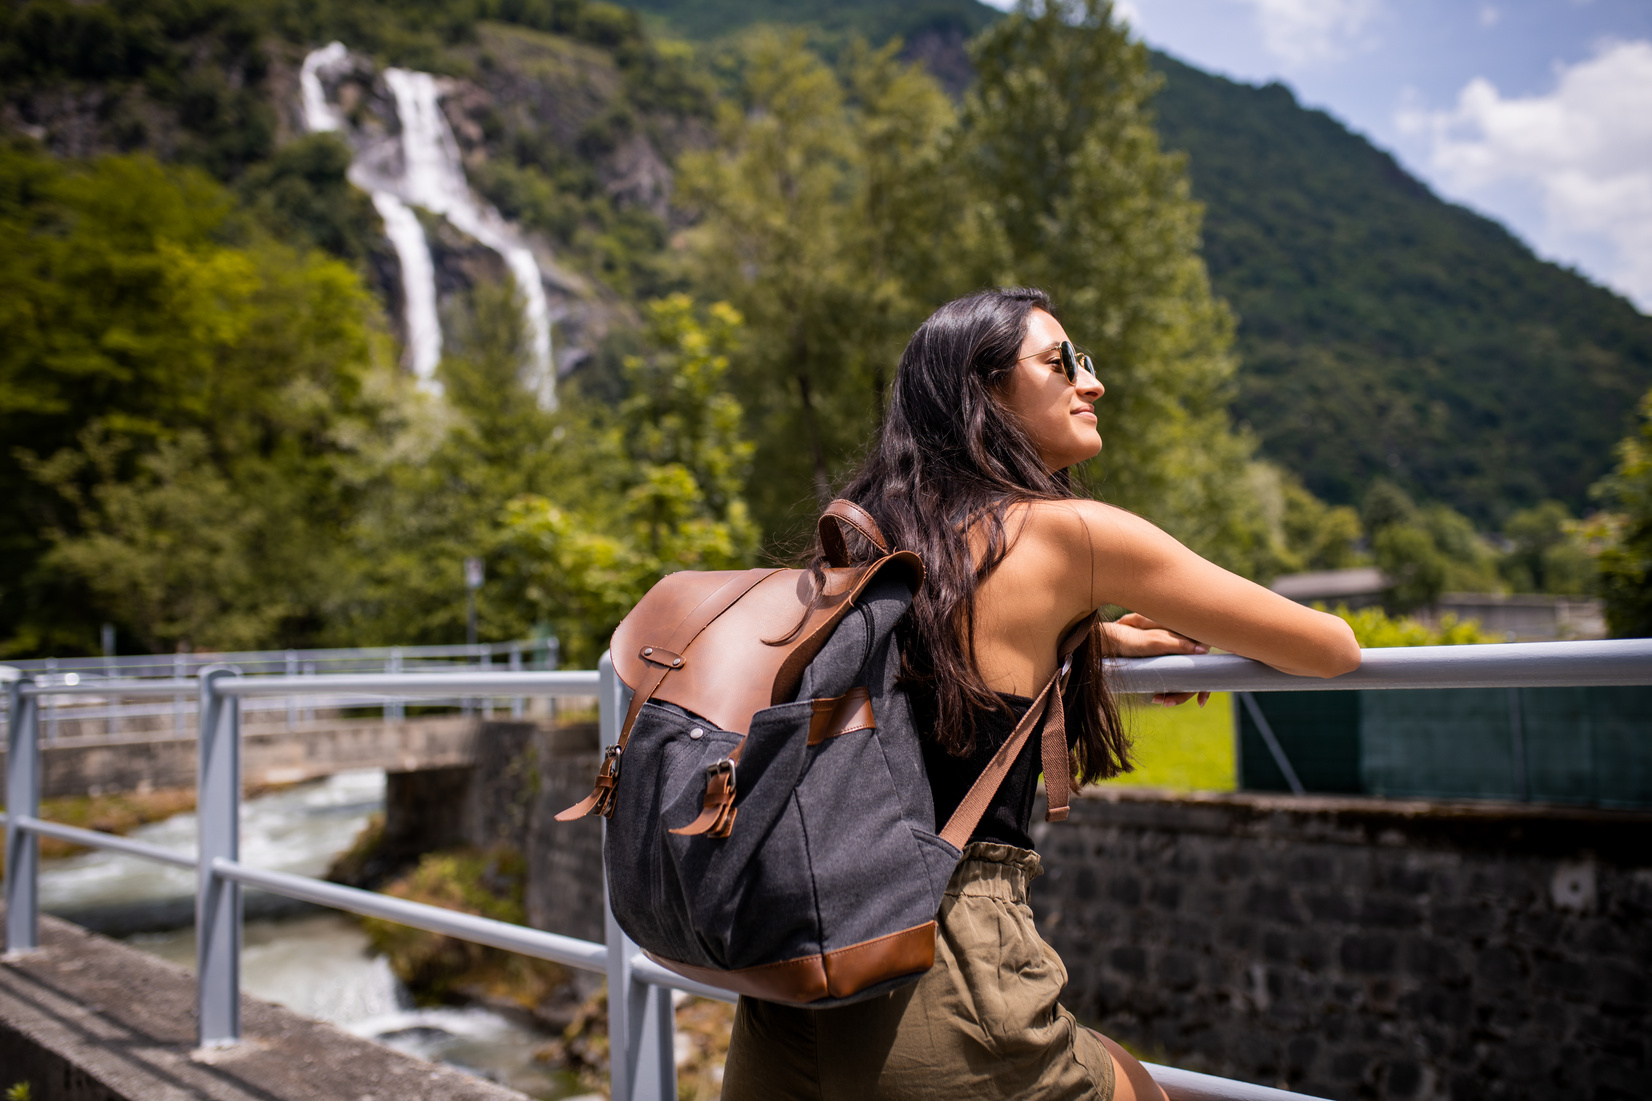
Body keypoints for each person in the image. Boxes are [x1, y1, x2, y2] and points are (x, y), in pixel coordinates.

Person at [721, 287, 1361, 1100]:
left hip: (793, 986)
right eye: (1062, 362)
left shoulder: (865, 542)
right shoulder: (1072, 533)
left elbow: (945, 654)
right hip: (945, 981)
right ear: (984, 390)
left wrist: (1100, 636)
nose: (1091, 383)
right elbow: (1330, 649)